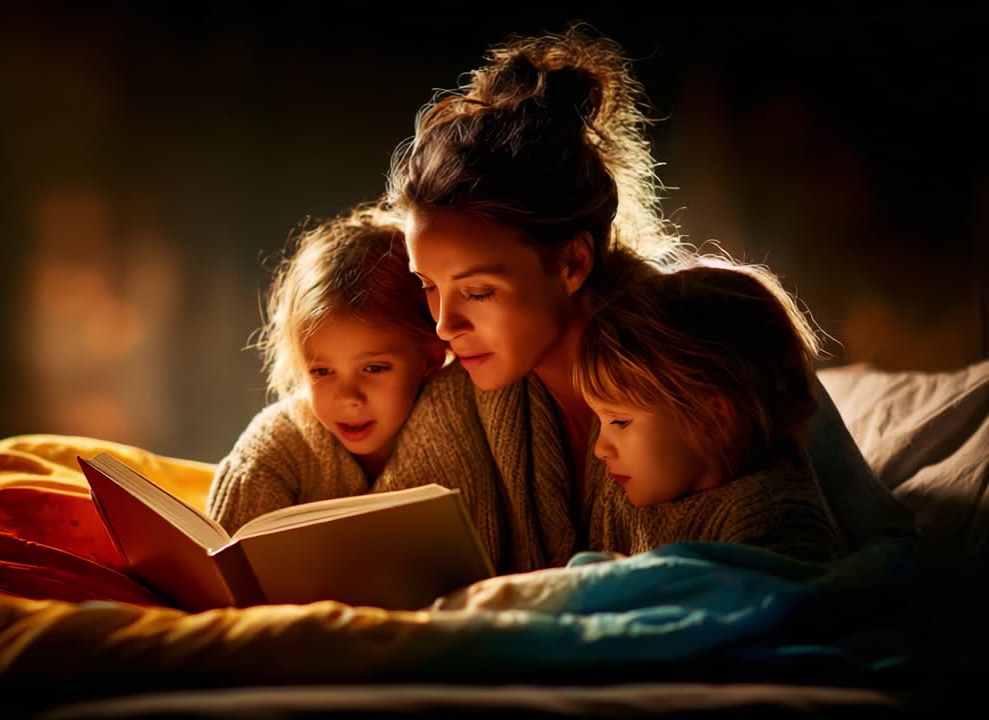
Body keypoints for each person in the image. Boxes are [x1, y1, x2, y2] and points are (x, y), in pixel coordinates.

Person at [384, 23, 912, 567]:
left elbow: (867, 540)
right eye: (428, 286)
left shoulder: (713, 344)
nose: (445, 325)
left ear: (572, 262)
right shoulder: (458, 399)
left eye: (477, 291)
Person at [205, 203, 520, 569]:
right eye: (322, 372)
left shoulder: (462, 416)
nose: (348, 398)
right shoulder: (276, 448)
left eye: (374, 367)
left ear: (430, 358)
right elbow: (225, 568)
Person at [578, 261, 844, 562]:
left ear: (714, 418)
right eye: (600, 421)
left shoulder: (773, 521)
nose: (600, 449)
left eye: (619, 421)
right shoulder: (631, 489)